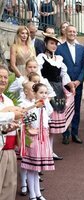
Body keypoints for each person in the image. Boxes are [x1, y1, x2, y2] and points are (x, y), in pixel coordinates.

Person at [37, 32, 75, 159]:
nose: (54, 46)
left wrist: (70, 85)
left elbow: (64, 74)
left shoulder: (59, 59)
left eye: (55, 44)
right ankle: (43, 151)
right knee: (46, 123)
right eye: (51, 43)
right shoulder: (41, 58)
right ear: (46, 44)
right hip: (46, 92)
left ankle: (50, 151)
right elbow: (39, 76)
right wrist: (46, 91)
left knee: (53, 125)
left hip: (58, 91)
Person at [20, 83, 54, 200]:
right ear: (34, 94)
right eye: (41, 92)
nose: (43, 95)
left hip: (42, 137)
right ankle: (33, 195)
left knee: (37, 169)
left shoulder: (44, 106)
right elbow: (25, 119)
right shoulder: (32, 107)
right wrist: (29, 128)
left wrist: (46, 101)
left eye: (45, 93)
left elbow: (48, 115)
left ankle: (38, 193)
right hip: (34, 138)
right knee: (31, 167)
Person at [55, 25, 84, 145]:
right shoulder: (59, 48)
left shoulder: (81, 48)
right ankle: (65, 134)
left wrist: (79, 80)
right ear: (65, 33)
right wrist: (67, 81)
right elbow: (58, 66)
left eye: (74, 31)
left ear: (76, 33)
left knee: (77, 108)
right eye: (70, 31)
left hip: (78, 83)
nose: (72, 33)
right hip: (65, 83)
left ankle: (75, 133)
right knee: (65, 108)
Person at [0, 66, 25, 200]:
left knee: (9, 187)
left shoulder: (8, 100)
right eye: (0, 77)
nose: (3, 80)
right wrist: (11, 115)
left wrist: (17, 124)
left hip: (10, 149)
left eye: (5, 77)